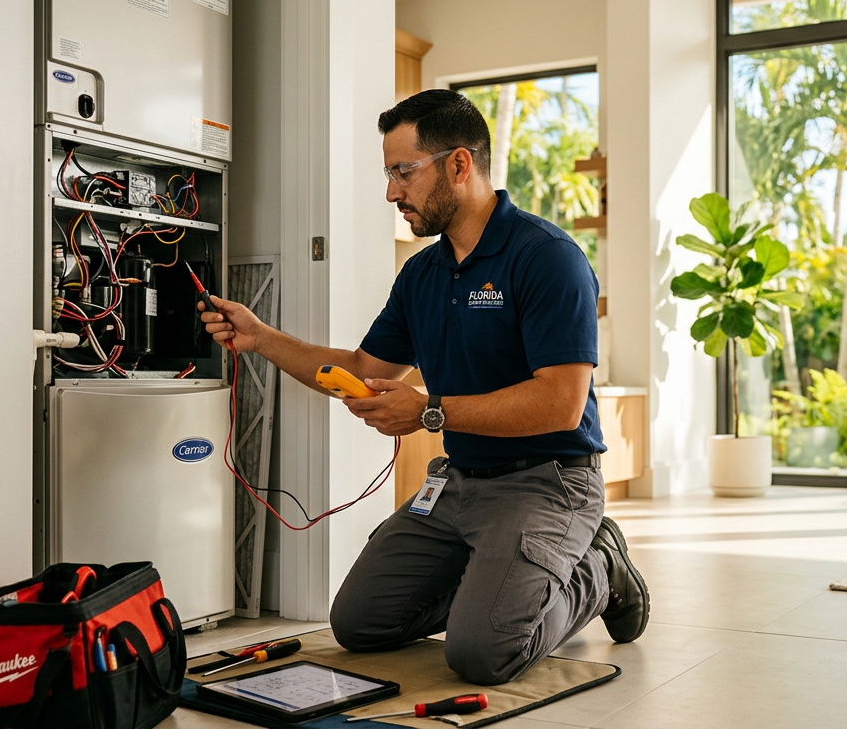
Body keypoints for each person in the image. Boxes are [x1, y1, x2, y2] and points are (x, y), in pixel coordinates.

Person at [198, 89, 649, 685]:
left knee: (482, 655)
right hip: (459, 487)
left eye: (403, 172)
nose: (392, 191)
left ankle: (599, 564)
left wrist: (431, 412)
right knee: (359, 625)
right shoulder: (422, 274)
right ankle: (495, 582)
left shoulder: (546, 258)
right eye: (389, 173)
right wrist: (261, 339)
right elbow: (365, 370)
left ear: (459, 165)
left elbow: (562, 405)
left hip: (548, 482)